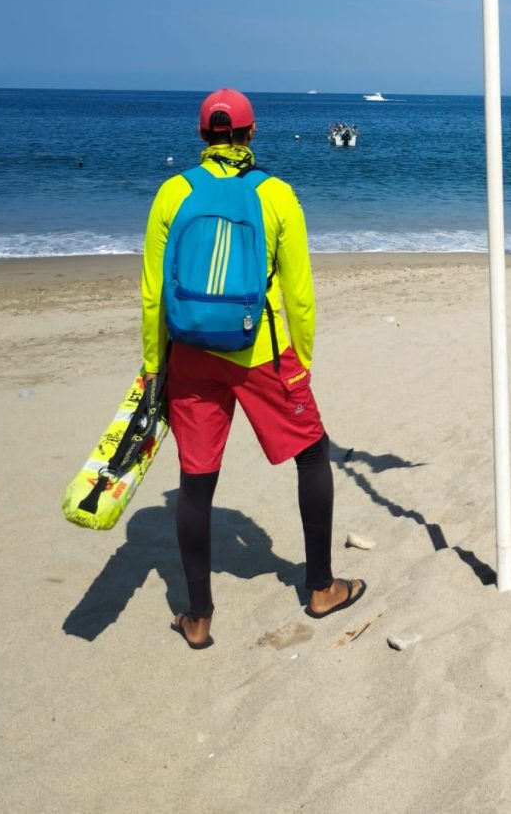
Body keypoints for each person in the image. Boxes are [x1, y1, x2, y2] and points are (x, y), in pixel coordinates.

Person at [141, 87, 365, 649]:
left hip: (190, 355)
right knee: (312, 452)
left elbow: (151, 295)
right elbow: (300, 294)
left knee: (196, 484)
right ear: (251, 134)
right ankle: (320, 587)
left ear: (201, 137)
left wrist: (152, 368)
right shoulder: (277, 194)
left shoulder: (171, 193)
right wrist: (302, 362)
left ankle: (198, 618)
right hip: (260, 352)